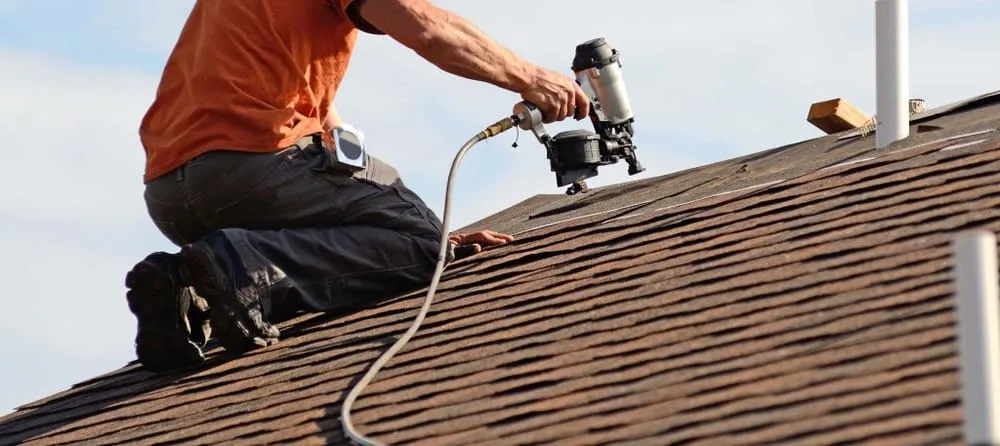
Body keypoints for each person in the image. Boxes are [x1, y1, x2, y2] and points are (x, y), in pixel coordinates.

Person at [126, 0, 591, 373]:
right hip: (251, 165)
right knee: (422, 244)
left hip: (170, 193)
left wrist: (386, 233)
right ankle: (238, 267)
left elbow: (317, 120)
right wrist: (532, 78)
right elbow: (425, 25)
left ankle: (189, 296)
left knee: (405, 232)